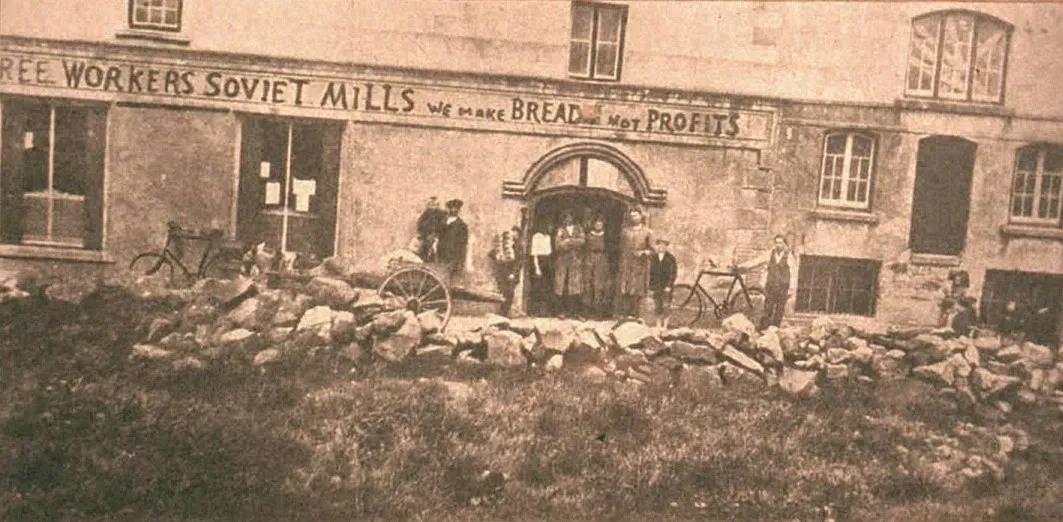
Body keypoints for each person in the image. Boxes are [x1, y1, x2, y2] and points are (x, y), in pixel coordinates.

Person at [738, 234, 798, 331]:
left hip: (783, 286)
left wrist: (791, 288)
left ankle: (775, 329)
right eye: (776, 243)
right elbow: (757, 261)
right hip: (771, 285)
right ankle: (763, 328)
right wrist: (742, 266)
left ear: (784, 244)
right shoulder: (769, 254)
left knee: (779, 309)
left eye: (780, 243)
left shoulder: (789, 256)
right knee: (768, 307)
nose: (778, 245)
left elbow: (793, 273)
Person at [616, 207, 655, 319]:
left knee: (637, 289)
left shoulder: (647, 232)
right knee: (625, 288)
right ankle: (625, 314)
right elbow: (621, 247)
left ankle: (635, 314)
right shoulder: (625, 231)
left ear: (641, 216)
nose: (634, 218)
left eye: (636, 215)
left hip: (639, 265)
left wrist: (643, 252)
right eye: (632, 216)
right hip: (626, 264)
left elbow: (653, 250)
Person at [553, 211, 586, 317]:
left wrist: (569, 241)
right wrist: (567, 243)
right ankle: (561, 311)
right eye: (566, 217)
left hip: (575, 260)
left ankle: (575, 312)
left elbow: (582, 241)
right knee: (561, 285)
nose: (568, 219)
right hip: (562, 261)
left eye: (570, 217)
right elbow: (558, 245)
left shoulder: (579, 228)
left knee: (575, 286)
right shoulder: (560, 230)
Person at [490, 226, 523, 316]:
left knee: (510, 293)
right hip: (503, 272)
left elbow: (519, 262)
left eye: (516, 234)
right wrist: (498, 258)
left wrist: (513, 273)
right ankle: (502, 311)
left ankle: (505, 312)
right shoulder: (503, 244)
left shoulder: (519, 247)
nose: (514, 235)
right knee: (502, 291)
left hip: (512, 272)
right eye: (513, 233)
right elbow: (492, 253)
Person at [582, 216, 611, 317]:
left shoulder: (606, 236)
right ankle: (586, 310)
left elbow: (610, 248)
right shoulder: (588, 235)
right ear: (593, 224)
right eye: (597, 223)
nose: (598, 225)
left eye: (600, 223)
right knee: (587, 283)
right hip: (589, 258)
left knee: (599, 284)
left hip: (601, 259)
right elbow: (584, 247)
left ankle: (598, 311)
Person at [649, 238, 678, 328]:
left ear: (666, 247)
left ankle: (665, 326)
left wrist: (669, 285)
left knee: (666, 306)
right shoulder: (653, 257)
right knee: (657, 306)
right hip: (657, 286)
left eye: (664, 245)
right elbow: (651, 272)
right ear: (657, 246)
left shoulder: (670, 258)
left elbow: (673, 273)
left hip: (666, 286)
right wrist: (651, 286)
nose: (661, 247)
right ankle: (658, 326)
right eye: (659, 245)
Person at [436, 199, 469, 276]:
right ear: (449, 209)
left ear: (459, 210)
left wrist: (460, 262)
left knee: (451, 277)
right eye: (451, 208)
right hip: (441, 255)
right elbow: (438, 236)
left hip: (453, 258)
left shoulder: (462, 226)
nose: (453, 210)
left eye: (456, 208)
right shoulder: (442, 222)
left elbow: (463, 245)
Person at [529, 220, 555, 316]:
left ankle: (545, 311)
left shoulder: (548, 237)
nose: (550, 228)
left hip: (547, 261)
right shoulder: (536, 237)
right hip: (539, 261)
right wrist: (537, 268)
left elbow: (549, 252)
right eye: (549, 226)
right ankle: (535, 311)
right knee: (538, 287)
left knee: (547, 286)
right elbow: (534, 254)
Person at [416, 196, 447, 262]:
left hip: (437, 236)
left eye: (435, 204)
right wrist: (423, 235)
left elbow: (443, 226)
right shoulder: (426, 213)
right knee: (423, 250)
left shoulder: (442, 214)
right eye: (431, 204)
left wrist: (435, 235)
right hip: (426, 236)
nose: (433, 206)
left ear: (438, 205)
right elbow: (420, 224)